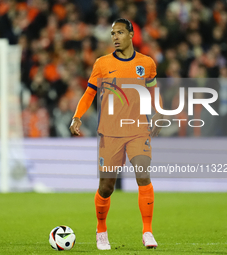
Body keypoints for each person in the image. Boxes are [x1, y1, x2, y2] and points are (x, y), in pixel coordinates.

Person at [69, 18, 164, 250]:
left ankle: (148, 231)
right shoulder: (102, 64)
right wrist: (77, 116)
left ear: (131, 34)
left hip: (138, 128)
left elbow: (153, 90)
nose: (115, 37)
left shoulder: (146, 63)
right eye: (112, 34)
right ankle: (101, 231)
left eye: (120, 32)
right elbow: (89, 93)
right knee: (106, 187)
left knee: (143, 174)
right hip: (110, 133)